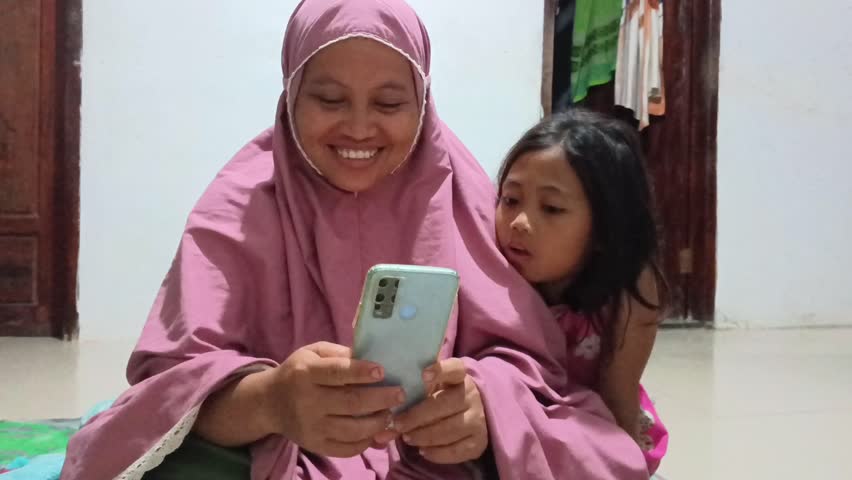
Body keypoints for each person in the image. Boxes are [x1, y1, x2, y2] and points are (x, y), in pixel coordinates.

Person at [60, 2, 648, 479]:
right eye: (329, 99)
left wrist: (480, 406)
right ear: (292, 94)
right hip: (275, 447)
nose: (360, 128)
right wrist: (271, 399)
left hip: (435, 457)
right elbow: (170, 383)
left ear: (422, 102)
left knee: (588, 449)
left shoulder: (460, 192)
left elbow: (531, 359)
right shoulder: (237, 205)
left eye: (390, 103)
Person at [495, 109, 670, 474]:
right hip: (514, 432)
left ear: (605, 229)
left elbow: (618, 394)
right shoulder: (492, 270)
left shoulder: (629, 291)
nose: (520, 223)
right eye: (510, 200)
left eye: (552, 208)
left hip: (596, 428)